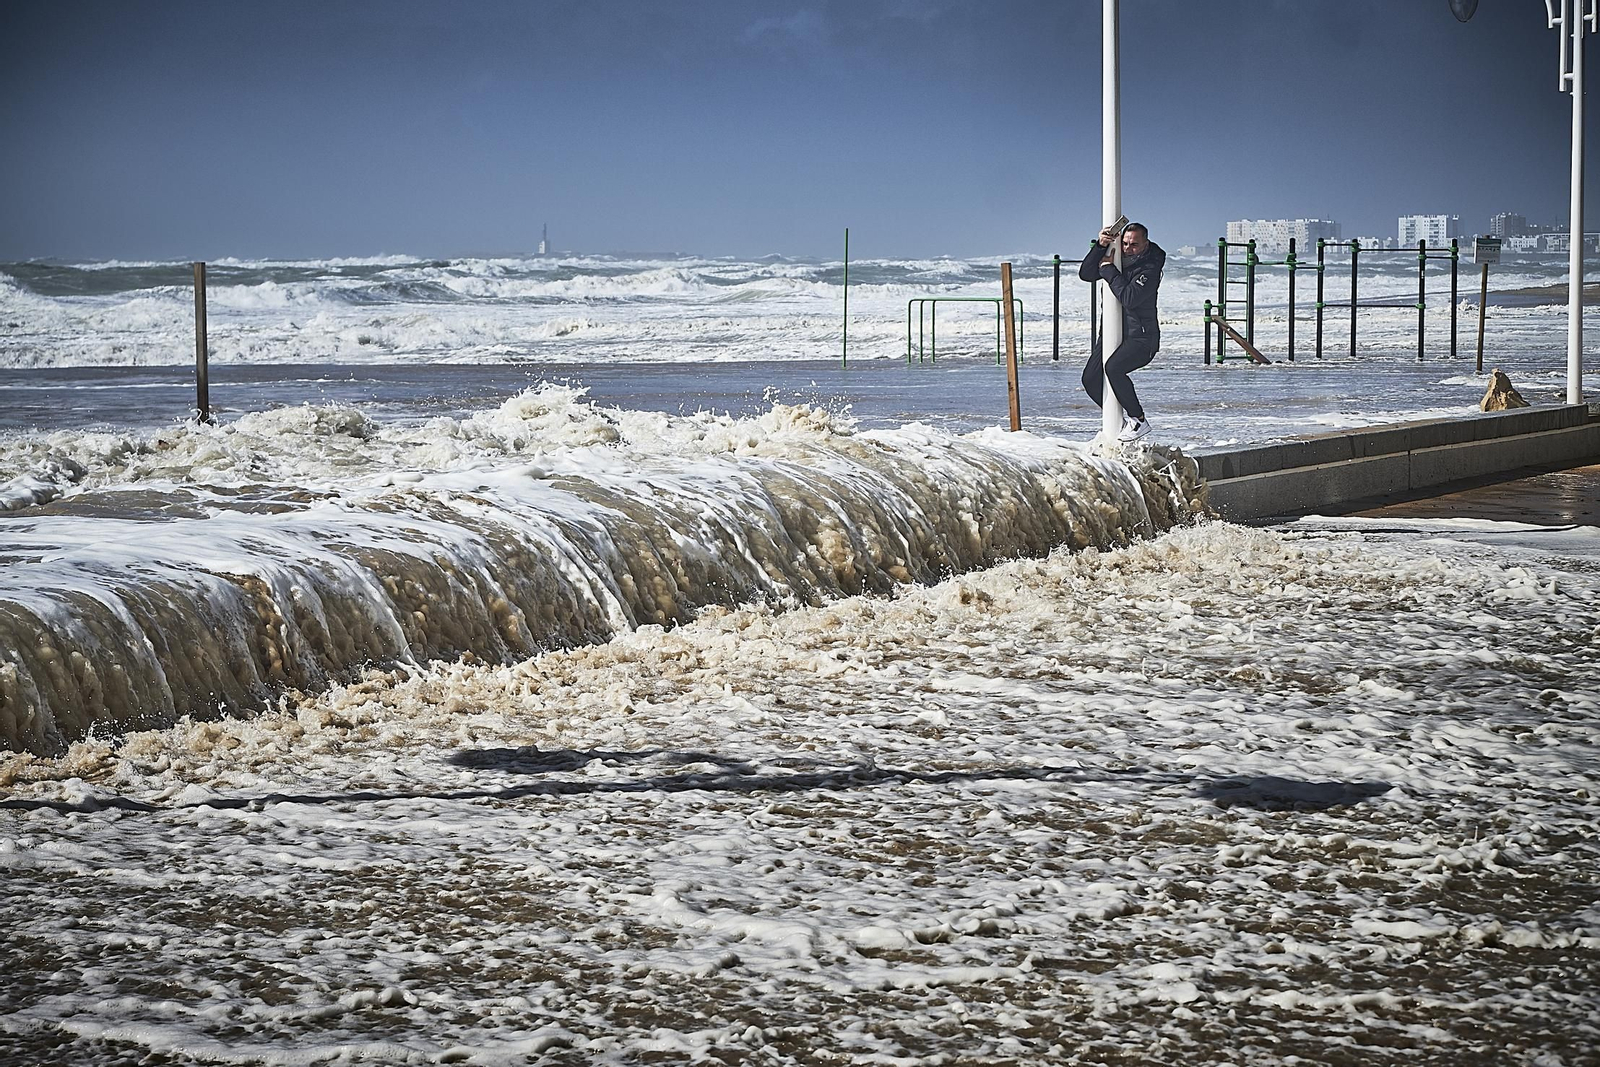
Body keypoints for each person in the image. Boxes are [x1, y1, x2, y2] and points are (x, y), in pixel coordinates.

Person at [1078, 221, 1165, 442]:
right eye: (1125, 243)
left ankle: (1138, 419)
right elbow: (1086, 274)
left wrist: (1108, 270)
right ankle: (1119, 422)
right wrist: (1100, 246)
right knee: (1090, 379)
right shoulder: (1116, 257)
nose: (1128, 249)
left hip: (1141, 337)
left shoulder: (1150, 267)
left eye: (1134, 244)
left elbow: (1130, 298)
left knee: (1114, 368)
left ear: (1145, 244)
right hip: (1110, 332)